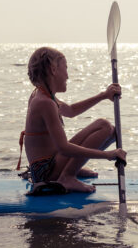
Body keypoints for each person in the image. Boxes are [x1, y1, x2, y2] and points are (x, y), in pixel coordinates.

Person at [18, 47, 126, 193]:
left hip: (50, 163)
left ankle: (71, 168)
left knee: (111, 131)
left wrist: (103, 95)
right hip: (45, 172)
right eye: (66, 68)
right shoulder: (44, 102)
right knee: (104, 127)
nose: (68, 76)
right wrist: (107, 155)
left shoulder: (44, 95)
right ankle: (66, 176)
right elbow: (64, 148)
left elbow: (71, 111)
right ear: (53, 69)